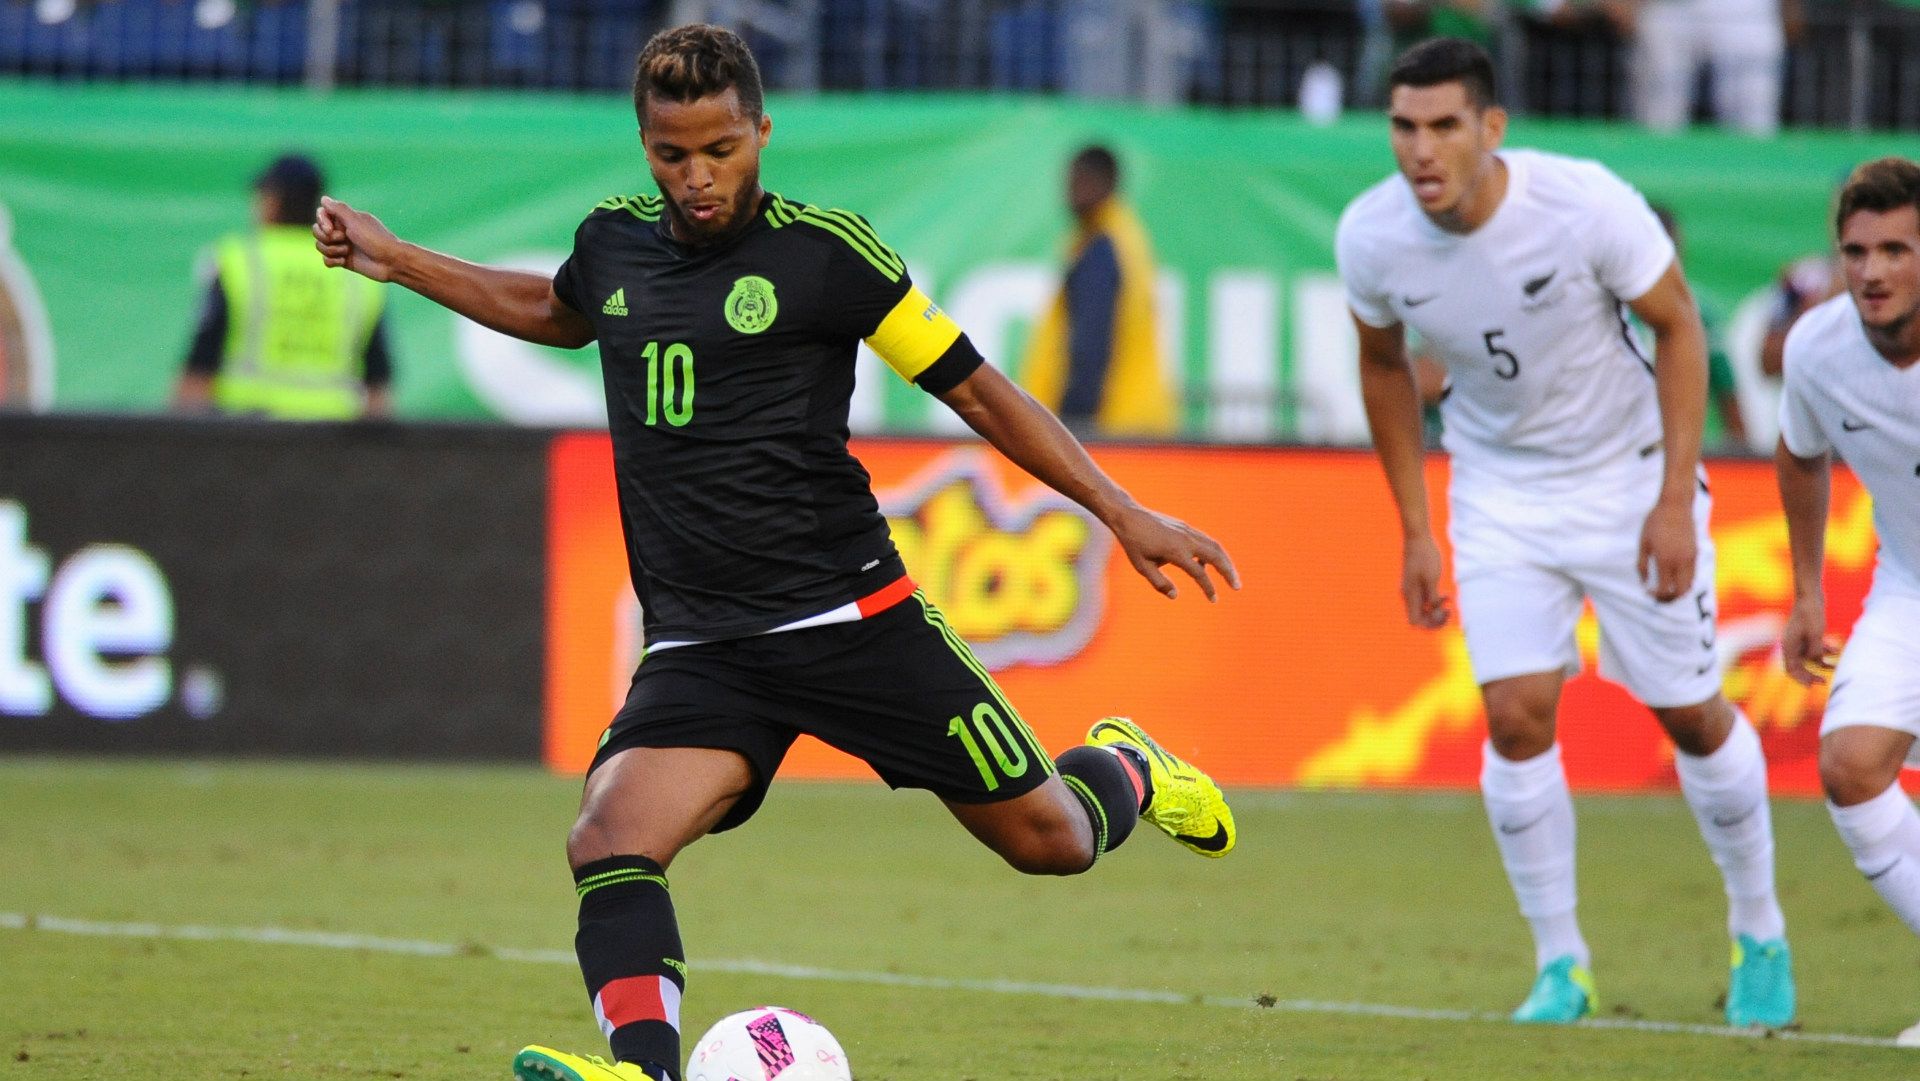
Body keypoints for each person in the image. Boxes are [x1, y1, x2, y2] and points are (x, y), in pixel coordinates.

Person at [314, 24, 1239, 1081]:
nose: (698, 177)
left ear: (762, 131)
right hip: (705, 645)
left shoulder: (829, 257)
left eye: (721, 149)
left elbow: (980, 390)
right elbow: (557, 310)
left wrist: (1120, 509)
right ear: (645, 146)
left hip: (855, 621)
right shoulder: (613, 244)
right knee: (608, 836)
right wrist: (397, 259)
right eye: (673, 155)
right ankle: (646, 1072)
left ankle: (1129, 766)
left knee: (1053, 841)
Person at [1335, 37, 1794, 1027]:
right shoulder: (1371, 236)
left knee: (1689, 712)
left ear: (1492, 128)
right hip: (1499, 490)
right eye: (1404, 127)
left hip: (1628, 478)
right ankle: (1561, 964)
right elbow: (1381, 364)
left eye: (1444, 126)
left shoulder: (1582, 204)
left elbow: (1679, 325)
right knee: (1514, 716)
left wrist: (1671, 498)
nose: (1421, 150)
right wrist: (1415, 528)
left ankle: (1760, 926)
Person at [1775, 156, 1920, 1047]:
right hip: (1909, 583)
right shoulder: (1816, 349)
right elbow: (1799, 454)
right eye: (1857, 252)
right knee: (1851, 764)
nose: (1873, 271)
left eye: (1896, 249)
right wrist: (1804, 591)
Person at [176, 154, 394, 420]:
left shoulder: (239, 262)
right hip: (333, 432)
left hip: (248, 430)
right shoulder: (355, 271)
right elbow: (378, 386)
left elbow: (199, 368)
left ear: (272, 201)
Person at [1020, 144, 1177, 438]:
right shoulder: (1125, 238)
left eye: (1082, 181)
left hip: (1109, 430)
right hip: (1134, 425)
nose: (1071, 192)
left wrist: (1068, 431)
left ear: (1107, 184)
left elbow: (1090, 350)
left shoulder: (1100, 250)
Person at [1648, 202, 1749, 448]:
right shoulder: (1614, 310)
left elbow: (1729, 399)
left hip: (1688, 449)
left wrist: (1740, 455)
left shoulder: (1699, 314)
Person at [1629, 0, 1800, 137]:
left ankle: (1754, 168)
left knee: (1753, 122)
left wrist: (1792, 6)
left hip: (1745, 8)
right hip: (1671, 8)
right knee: (1661, 118)